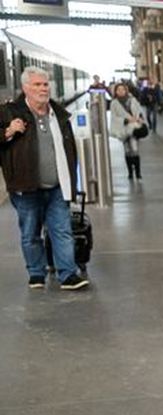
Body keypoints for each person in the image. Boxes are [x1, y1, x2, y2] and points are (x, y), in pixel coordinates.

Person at [0, 66, 89, 290]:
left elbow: (69, 149)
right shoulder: (9, 113)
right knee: (30, 234)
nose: (43, 89)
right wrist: (8, 132)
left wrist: (71, 180)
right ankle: (36, 273)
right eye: (37, 85)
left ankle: (68, 274)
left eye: (45, 84)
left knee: (62, 230)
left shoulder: (58, 114)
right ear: (25, 88)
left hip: (57, 185)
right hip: (25, 187)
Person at [109, 82, 146, 180]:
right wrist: (126, 120)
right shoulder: (114, 103)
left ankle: (138, 172)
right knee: (127, 151)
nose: (121, 91)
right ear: (115, 92)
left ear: (126, 90)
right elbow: (114, 117)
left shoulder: (132, 100)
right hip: (123, 129)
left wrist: (139, 118)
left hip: (134, 128)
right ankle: (130, 172)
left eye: (122, 89)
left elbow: (139, 111)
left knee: (135, 149)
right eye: (118, 90)